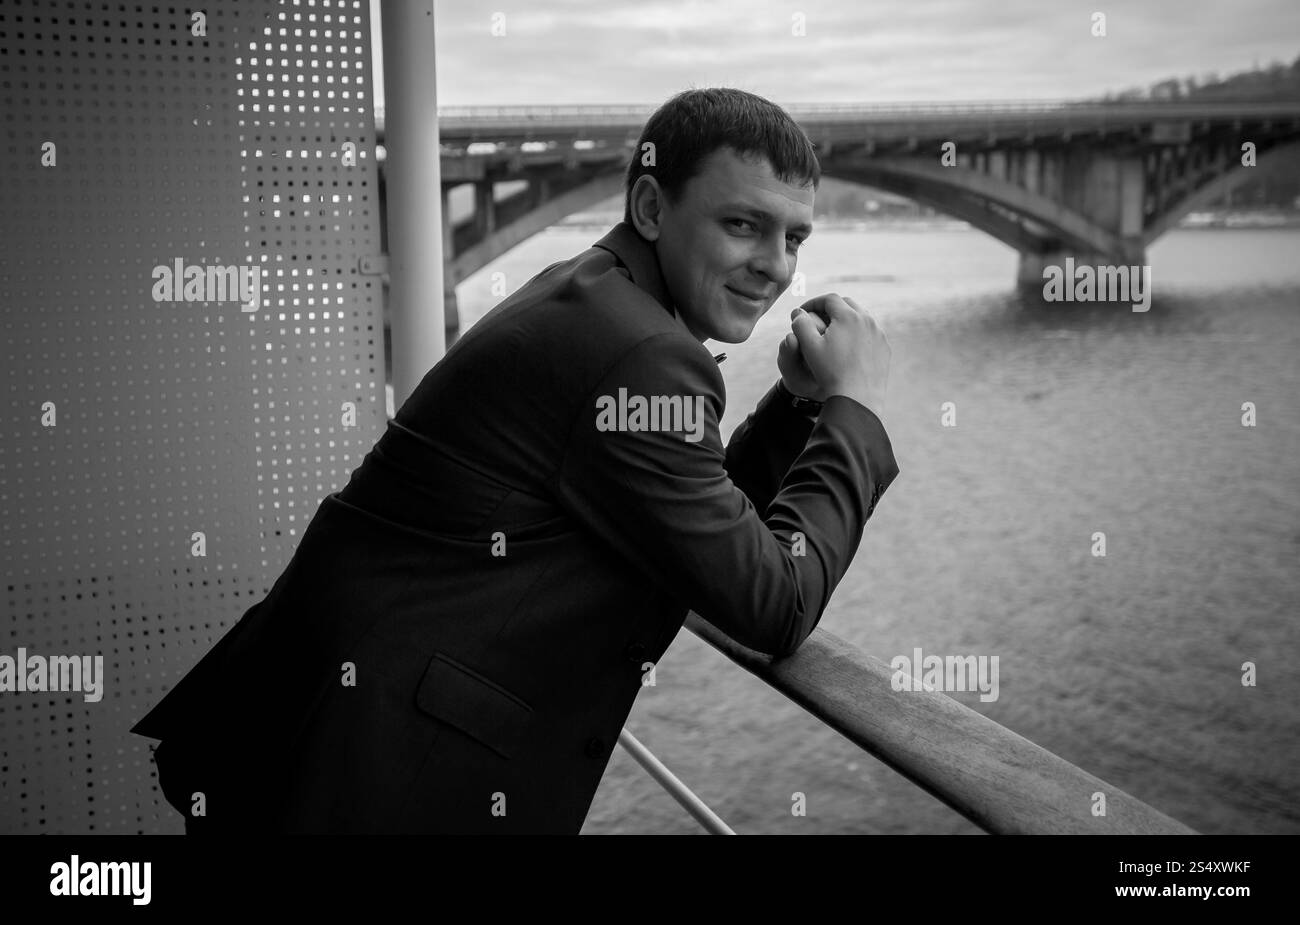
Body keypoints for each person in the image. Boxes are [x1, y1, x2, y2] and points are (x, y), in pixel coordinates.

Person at [130, 86, 900, 834]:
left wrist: (797, 406)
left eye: (795, 237)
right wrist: (853, 409)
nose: (777, 265)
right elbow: (776, 604)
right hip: (372, 770)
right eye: (743, 224)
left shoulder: (594, 300)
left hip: (317, 730)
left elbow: (696, 527)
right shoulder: (641, 352)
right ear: (653, 208)